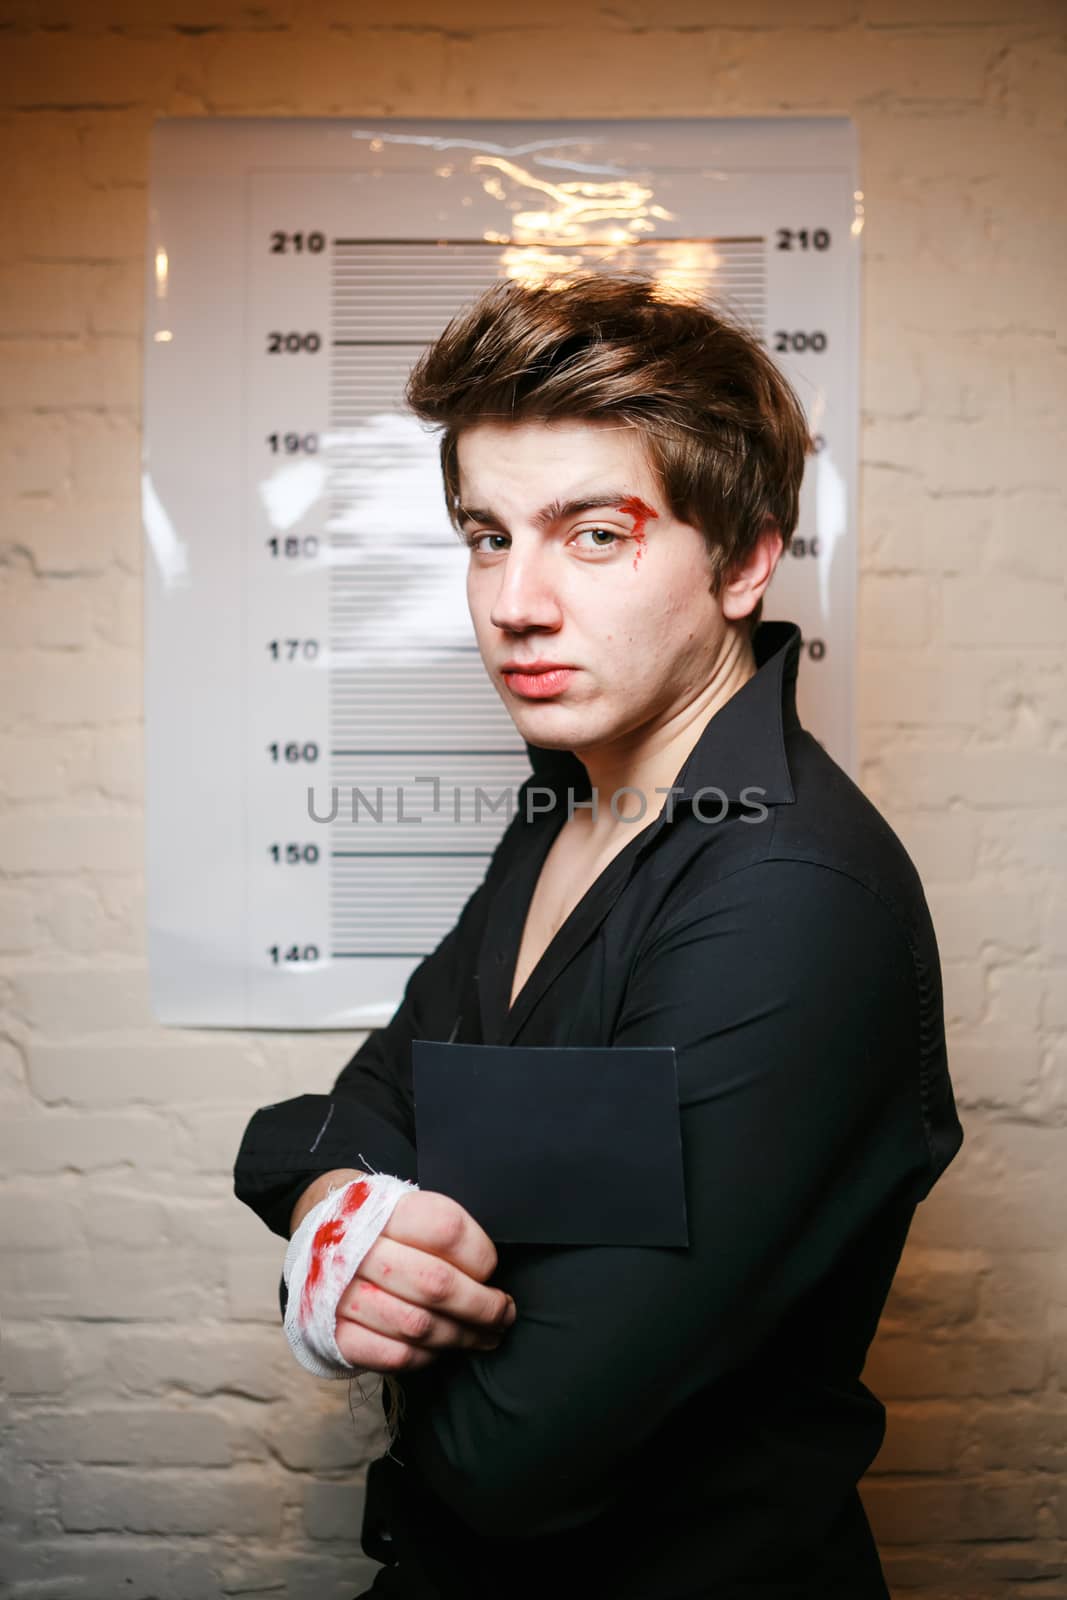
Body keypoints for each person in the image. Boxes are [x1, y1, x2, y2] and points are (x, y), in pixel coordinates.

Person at [234, 274, 964, 1600]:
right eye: (484, 535)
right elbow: (377, 1094)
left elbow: (520, 1453)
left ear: (744, 558)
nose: (513, 601)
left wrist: (371, 1284)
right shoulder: (575, 799)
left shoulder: (788, 898)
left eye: (595, 534)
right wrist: (337, 1208)